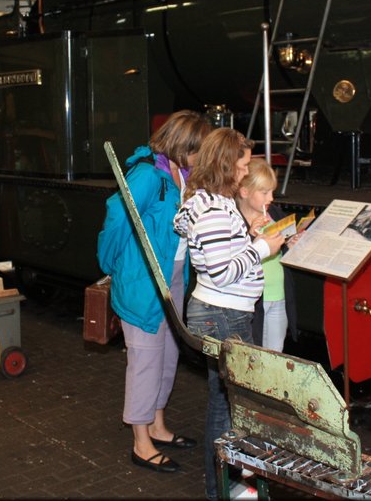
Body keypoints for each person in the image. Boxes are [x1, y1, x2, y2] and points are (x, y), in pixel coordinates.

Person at [97, 110, 212, 474]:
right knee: (145, 360)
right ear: (181, 146)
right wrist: (113, 265)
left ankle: (157, 425)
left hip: (172, 277)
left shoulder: (183, 174)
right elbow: (117, 218)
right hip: (143, 279)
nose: (202, 157)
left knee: (167, 355)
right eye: (198, 150)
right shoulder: (148, 174)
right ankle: (140, 441)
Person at [173, 128, 285, 500]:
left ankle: (225, 485)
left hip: (221, 313)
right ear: (225, 165)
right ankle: (222, 489)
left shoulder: (208, 202)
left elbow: (217, 255)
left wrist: (246, 236)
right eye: (242, 165)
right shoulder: (214, 210)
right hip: (225, 315)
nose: (245, 171)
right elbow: (222, 272)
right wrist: (261, 248)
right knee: (228, 407)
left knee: (225, 403)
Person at [235, 157, 301, 352]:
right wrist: (250, 236)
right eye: (264, 193)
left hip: (279, 295)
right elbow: (233, 260)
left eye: (272, 191)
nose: (270, 198)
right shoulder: (234, 219)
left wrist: (292, 243)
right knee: (254, 352)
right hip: (254, 301)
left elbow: (283, 247)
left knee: (275, 352)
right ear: (244, 192)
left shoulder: (274, 214)